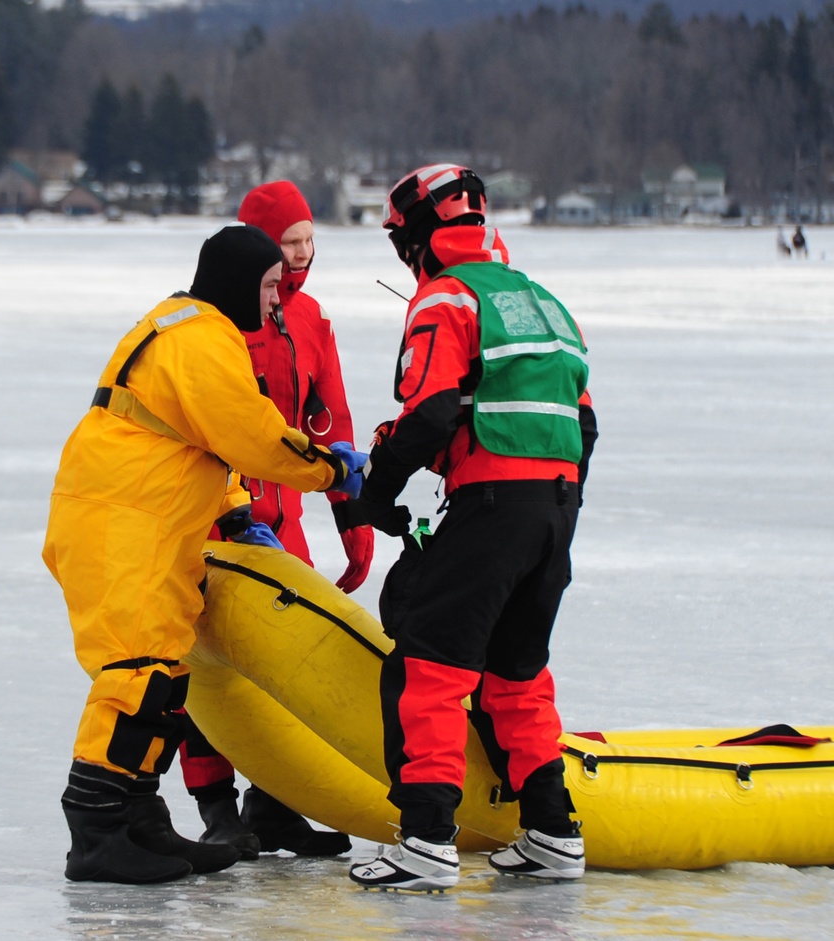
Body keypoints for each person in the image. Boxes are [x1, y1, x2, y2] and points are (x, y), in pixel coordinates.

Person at [42, 222, 366, 885]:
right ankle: (96, 831)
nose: (278, 301)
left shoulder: (182, 326)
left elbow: (183, 437)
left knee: (164, 667)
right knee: (135, 671)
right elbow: (252, 437)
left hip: (139, 515)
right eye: (271, 285)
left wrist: (235, 511)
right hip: (122, 521)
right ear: (239, 283)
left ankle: (138, 818)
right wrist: (333, 470)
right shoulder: (203, 340)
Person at [348, 164, 597, 892]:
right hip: (559, 505)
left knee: (427, 660)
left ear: (421, 238)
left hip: (494, 505)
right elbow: (583, 422)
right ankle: (552, 828)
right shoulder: (544, 303)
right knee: (516, 670)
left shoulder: (444, 300)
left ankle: (425, 837)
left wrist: (376, 492)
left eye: (402, 243)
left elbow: (428, 414)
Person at [178, 181, 368, 860]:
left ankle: (276, 805)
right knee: (210, 671)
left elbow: (332, 423)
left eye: (310, 240)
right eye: (289, 243)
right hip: (214, 517)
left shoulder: (312, 320)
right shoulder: (221, 322)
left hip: (282, 526)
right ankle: (217, 809)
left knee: (289, 673)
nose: (303, 254)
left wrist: (355, 525)